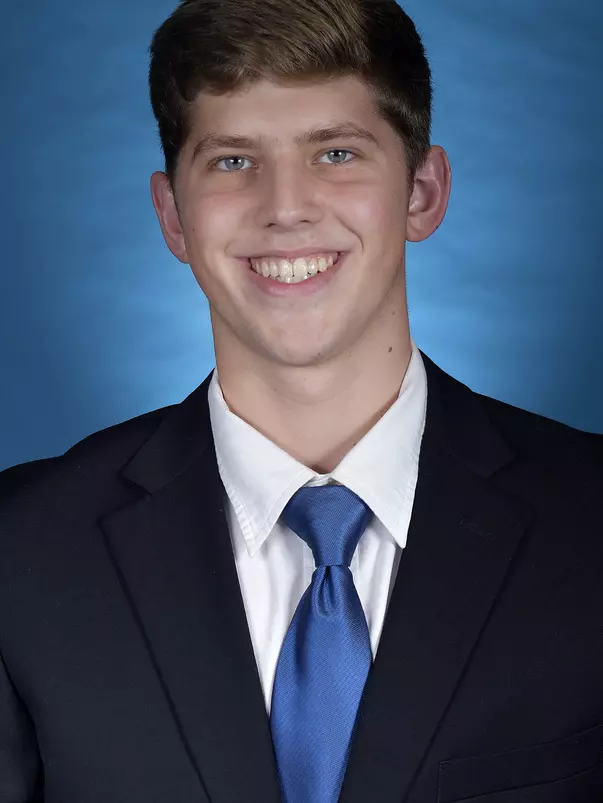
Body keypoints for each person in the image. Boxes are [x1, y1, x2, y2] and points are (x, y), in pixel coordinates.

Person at [1, 0, 602, 800]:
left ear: (422, 192)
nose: (285, 207)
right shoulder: (21, 551)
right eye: (232, 161)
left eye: (336, 153)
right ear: (172, 216)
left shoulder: (588, 520)